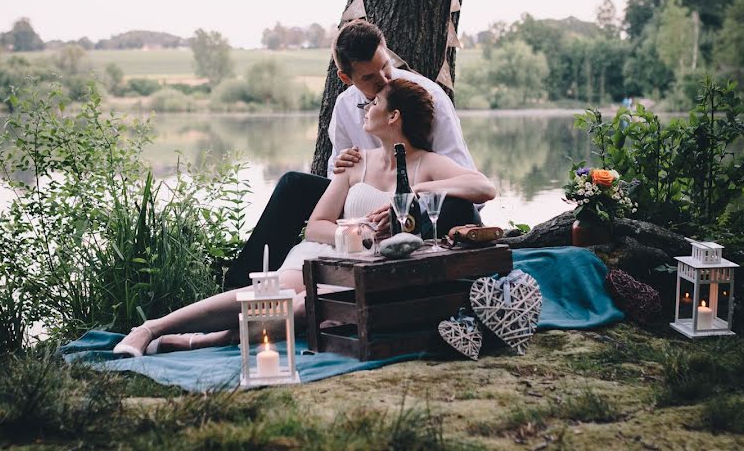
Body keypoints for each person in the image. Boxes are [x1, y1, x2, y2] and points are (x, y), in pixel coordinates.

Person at [114, 79, 496, 356]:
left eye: (374, 103)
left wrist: (418, 192)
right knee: (269, 293)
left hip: (372, 266)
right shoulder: (355, 162)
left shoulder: (427, 164)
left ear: (393, 116)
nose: (366, 107)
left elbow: (484, 187)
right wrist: (357, 231)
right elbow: (316, 225)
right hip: (328, 251)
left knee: (300, 307)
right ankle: (149, 329)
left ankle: (207, 340)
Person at [224, 19, 479, 287]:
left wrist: (414, 196)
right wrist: (341, 167)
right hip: (362, 207)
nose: (383, 81)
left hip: (419, 208)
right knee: (293, 185)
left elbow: (468, 187)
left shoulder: (429, 97)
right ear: (346, 78)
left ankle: (396, 258)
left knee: (455, 205)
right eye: (368, 77)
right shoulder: (344, 106)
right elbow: (335, 182)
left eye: (384, 66)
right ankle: (242, 287)